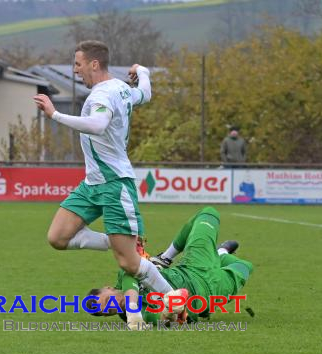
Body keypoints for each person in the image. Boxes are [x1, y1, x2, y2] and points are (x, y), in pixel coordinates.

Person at [33, 40, 174, 295]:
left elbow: (97, 125)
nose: (75, 70)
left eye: (78, 64)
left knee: (129, 263)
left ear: (94, 64)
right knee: (58, 237)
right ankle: (116, 240)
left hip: (114, 183)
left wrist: (55, 115)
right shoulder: (120, 88)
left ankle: (175, 300)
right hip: (93, 183)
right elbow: (145, 93)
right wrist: (143, 71)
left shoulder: (102, 94)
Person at [86, 207, 254, 330]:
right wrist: (169, 312)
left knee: (209, 213)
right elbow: (161, 318)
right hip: (207, 291)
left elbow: (131, 284)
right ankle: (221, 254)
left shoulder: (125, 274)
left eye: (108, 301)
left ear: (108, 288)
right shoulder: (140, 316)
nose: (113, 306)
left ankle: (166, 256)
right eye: (108, 312)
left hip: (189, 266)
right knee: (245, 266)